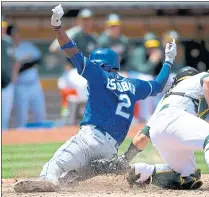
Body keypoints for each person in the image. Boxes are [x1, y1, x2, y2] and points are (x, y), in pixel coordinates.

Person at [13, 4, 177, 193]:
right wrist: (168, 61)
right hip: (110, 151)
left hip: (90, 139)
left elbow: (70, 50)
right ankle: (65, 182)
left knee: (55, 166)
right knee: (70, 179)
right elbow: (158, 86)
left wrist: (58, 27)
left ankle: (48, 179)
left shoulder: (99, 74)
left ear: (101, 64)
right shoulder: (133, 84)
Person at [92, 67, 209, 191]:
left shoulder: (165, 100)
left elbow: (142, 137)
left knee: (188, 178)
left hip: (159, 134)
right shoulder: (195, 79)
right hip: (177, 120)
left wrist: (126, 159)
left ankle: (143, 171)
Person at [49, 8, 98, 120]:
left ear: (92, 21)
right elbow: (53, 48)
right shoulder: (74, 33)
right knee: (84, 84)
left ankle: (82, 114)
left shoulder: (93, 38)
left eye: (89, 19)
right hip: (72, 71)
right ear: (79, 20)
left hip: (86, 71)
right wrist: (64, 62)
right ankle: (82, 113)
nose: (86, 22)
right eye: (84, 19)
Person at [7, 24, 46, 128]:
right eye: (13, 34)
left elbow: (38, 59)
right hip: (20, 86)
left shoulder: (27, 45)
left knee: (40, 114)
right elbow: (12, 69)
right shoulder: (8, 49)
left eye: (17, 33)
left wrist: (21, 63)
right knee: (22, 117)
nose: (16, 36)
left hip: (34, 84)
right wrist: (24, 63)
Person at [1, 17, 19, 130]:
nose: (2, 29)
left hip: (7, 82)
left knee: (5, 115)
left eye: (3, 27)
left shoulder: (8, 41)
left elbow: (14, 60)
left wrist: (14, 75)